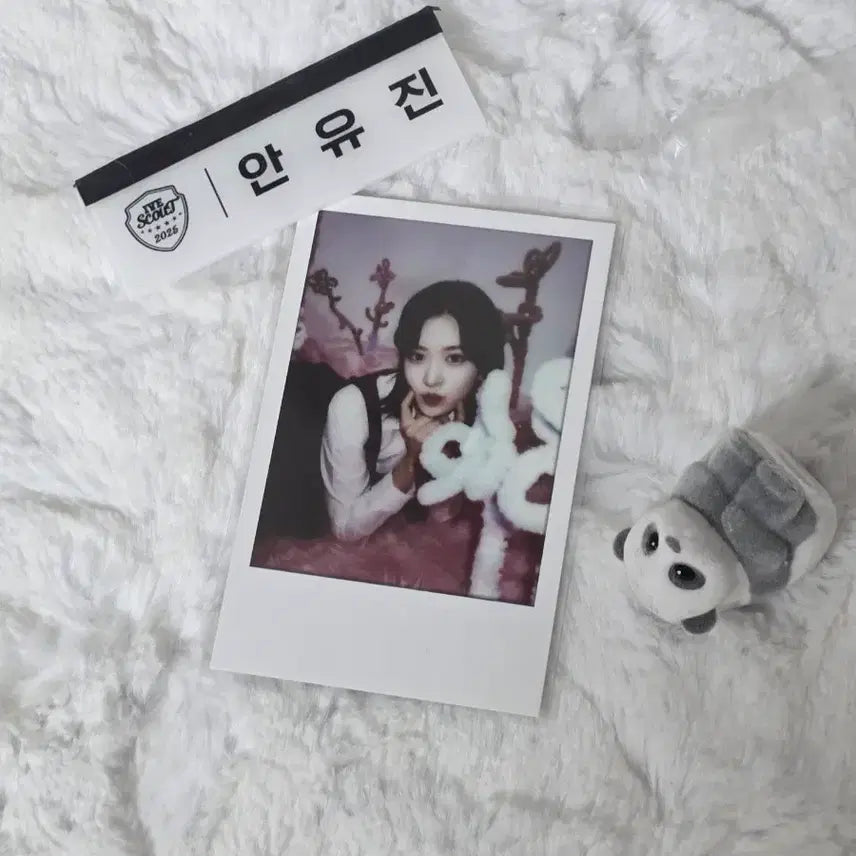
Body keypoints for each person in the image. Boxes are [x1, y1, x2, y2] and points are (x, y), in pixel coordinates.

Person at [254, 280, 507, 546]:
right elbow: (344, 528)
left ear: (482, 367)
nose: (431, 379)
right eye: (417, 356)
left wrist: (446, 456)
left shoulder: (479, 412)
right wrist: (410, 462)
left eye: (454, 358)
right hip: (296, 433)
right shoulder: (353, 406)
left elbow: (443, 516)